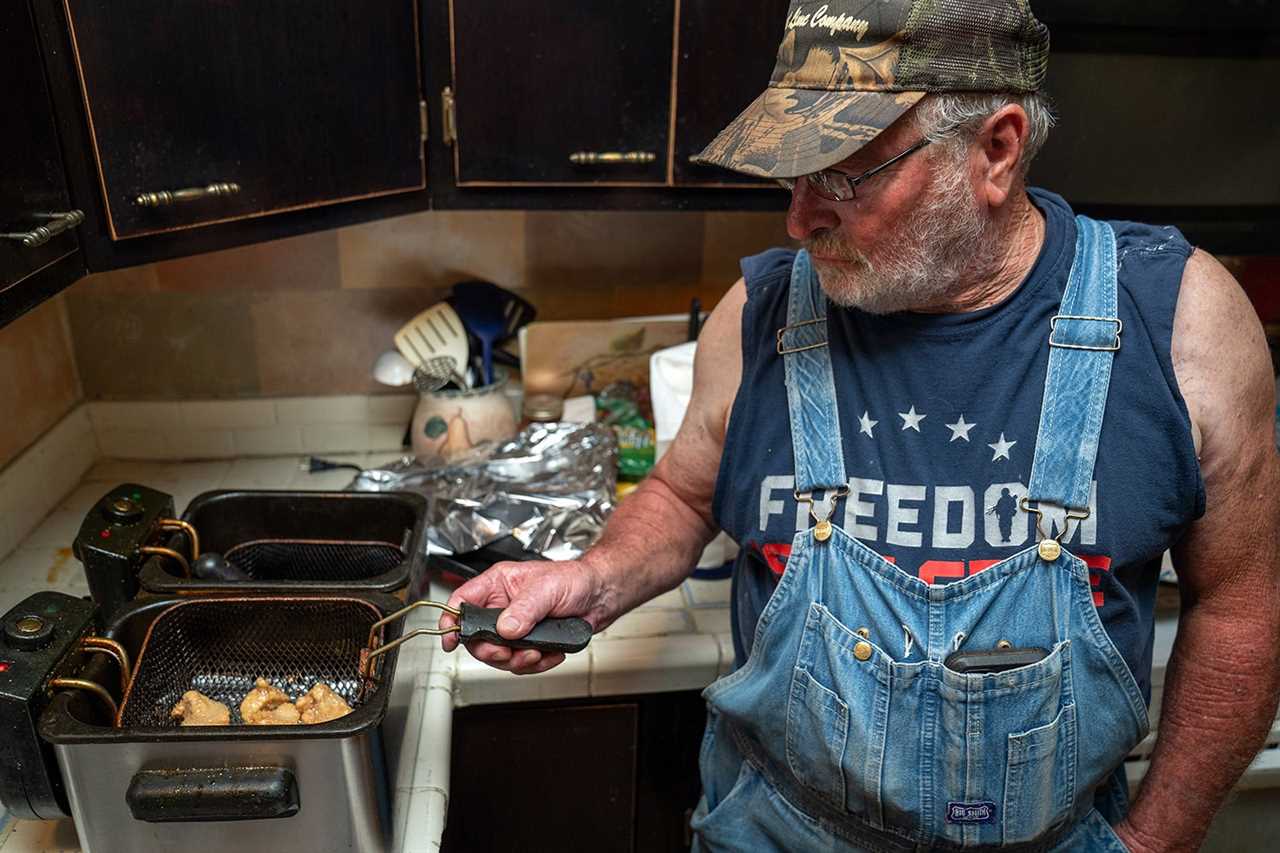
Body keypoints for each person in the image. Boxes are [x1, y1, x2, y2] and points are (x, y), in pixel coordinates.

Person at [440, 0, 1280, 849]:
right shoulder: (760, 314)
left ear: (996, 149)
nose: (800, 219)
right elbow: (683, 494)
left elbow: (1242, 609)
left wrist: (1157, 840)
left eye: (843, 175)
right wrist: (594, 579)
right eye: (794, 172)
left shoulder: (1180, 327)